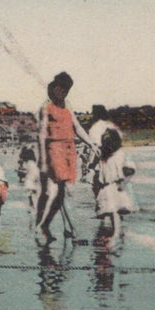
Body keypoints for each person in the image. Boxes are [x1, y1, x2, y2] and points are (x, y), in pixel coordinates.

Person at [35, 71, 95, 244]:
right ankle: (73, 231)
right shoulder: (45, 108)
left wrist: (91, 143)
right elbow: (41, 135)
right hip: (52, 151)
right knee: (60, 193)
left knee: (60, 193)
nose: (63, 93)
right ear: (53, 88)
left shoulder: (67, 104)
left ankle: (66, 229)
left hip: (68, 151)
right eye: (61, 89)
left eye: (67, 90)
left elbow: (76, 126)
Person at [93, 127, 136, 245]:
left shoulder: (120, 155)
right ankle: (117, 232)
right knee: (112, 211)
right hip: (105, 187)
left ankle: (116, 233)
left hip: (116, 186)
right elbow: (99, 172)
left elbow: (131, 170)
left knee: (114, 211)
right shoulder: (103, 156)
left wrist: (124, 182)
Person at [16, 145, 40, 226]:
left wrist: (18, 171)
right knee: (34, 201)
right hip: (35, 184)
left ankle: (33, 221)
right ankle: (34, 220)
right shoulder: (34, 163)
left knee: (32, 202)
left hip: (30, 184)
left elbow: (26, 172)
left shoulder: (28, 163)